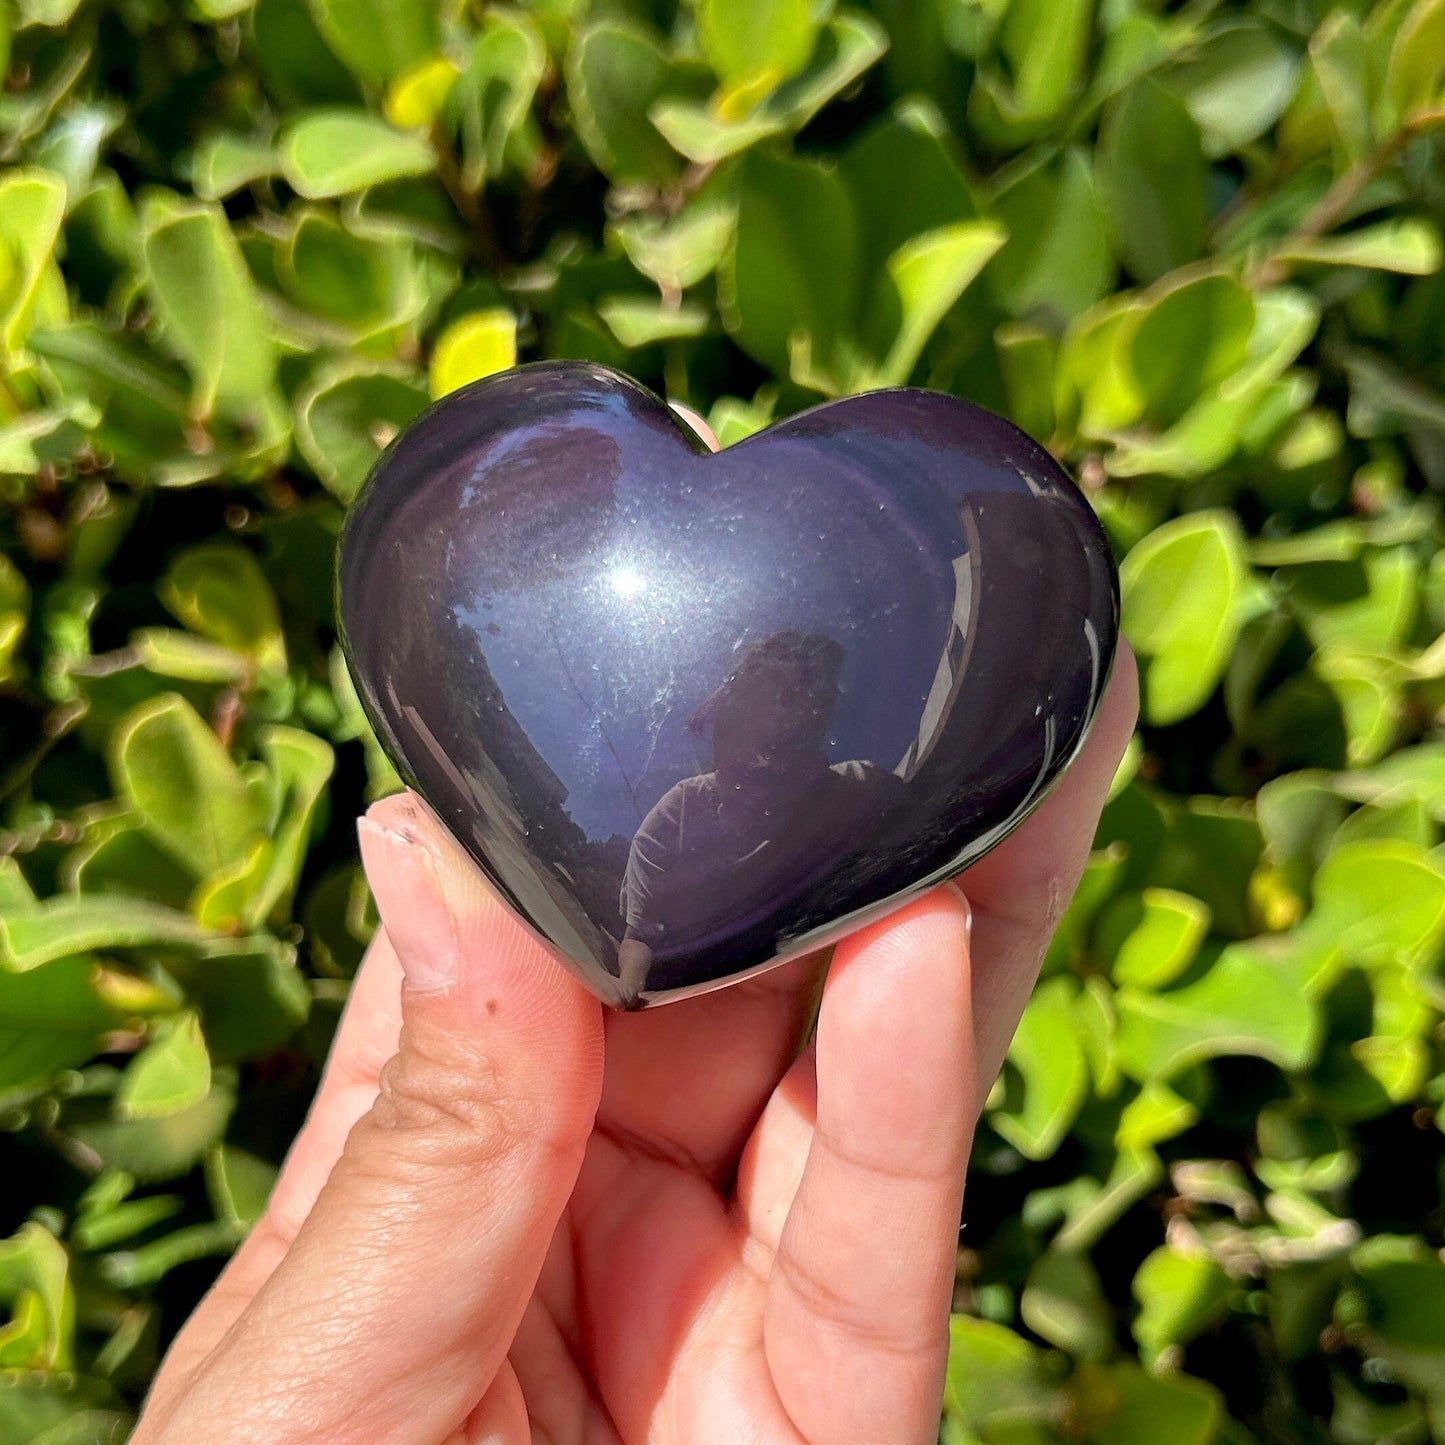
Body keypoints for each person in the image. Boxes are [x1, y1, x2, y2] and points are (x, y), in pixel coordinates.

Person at [129, 646, 1136, 1444]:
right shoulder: (676, 818)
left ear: (822, 723)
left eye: (798, 713)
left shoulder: (860, 792)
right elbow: (635, 940)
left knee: (912, 970)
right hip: (637, 1082)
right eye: (755, 711)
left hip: (727, 1122)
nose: (774, 736)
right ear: (719, 721)